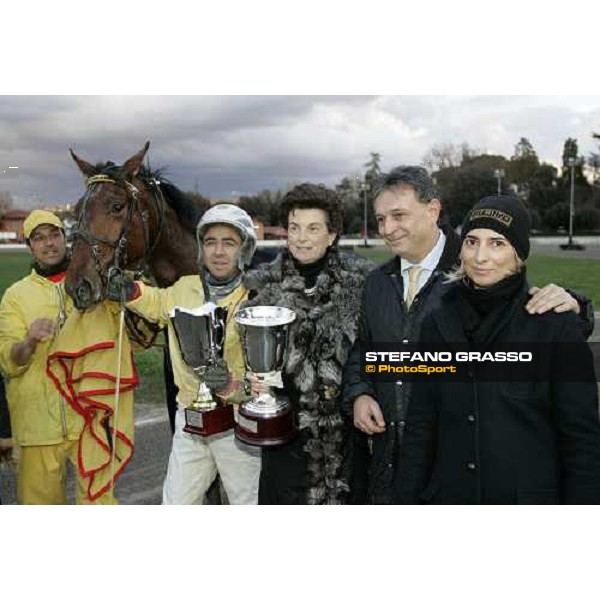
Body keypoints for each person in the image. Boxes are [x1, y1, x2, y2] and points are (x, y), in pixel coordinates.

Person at [342, 166, 595, 504]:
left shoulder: (549, 319)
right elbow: (374, 357)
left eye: (497, 243)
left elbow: (581, 442)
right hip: (423, 479)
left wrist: (578, 305)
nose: (481, 256)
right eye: (473, 242)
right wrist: (360, 391)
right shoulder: (399, 296)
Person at [109, 204, 261, 504]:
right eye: (210, 242)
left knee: (248, 503)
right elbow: (156, 301)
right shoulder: (185, 287)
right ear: (201, 249)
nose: (218, 251)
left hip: (238, 426)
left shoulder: (256, 296)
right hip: (190, 424)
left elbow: (267, 374)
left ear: (244, 249)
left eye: (228, 243)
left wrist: (233, 387)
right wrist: (128, 289)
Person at [245, 183, 374, 504]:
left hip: (347, 439)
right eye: (294, 228)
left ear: (331, 235)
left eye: (313, 228)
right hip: (287, 438)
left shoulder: (364, 283)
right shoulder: (263, 285)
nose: (301, 237)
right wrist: (255, 380)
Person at [0, 210, 118, 504]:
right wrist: (28, 341)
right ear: (30, 247)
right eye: (39, 238)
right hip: (37, 425)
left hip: (88, 421)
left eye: (54, 235)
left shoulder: (92, 284)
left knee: (100, 507)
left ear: (66, 239)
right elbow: (8, 361)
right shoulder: (15, 296)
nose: (49, 243)